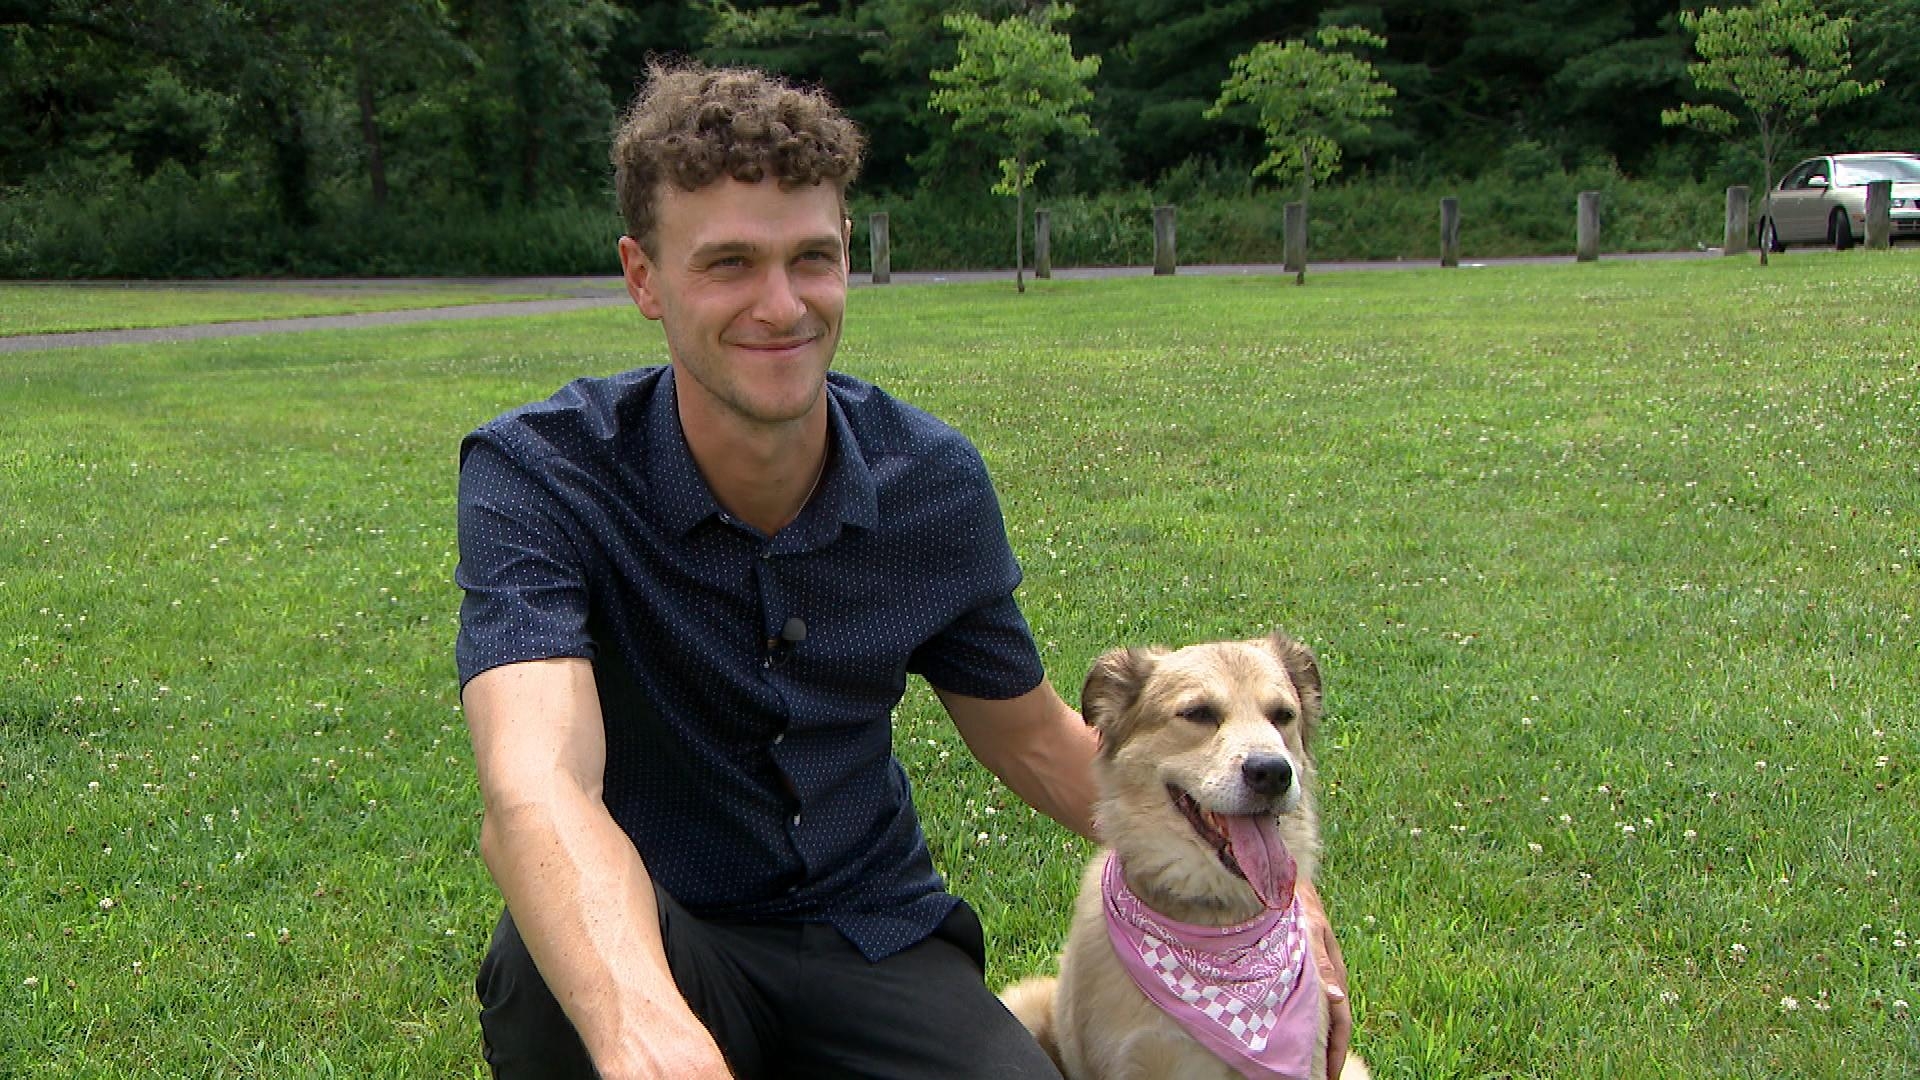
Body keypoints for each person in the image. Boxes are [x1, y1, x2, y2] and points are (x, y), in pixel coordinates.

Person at [454, 61, 1353, 1080]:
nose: (781, 304)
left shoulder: (929, 481)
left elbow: (1032, 741)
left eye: (812, 257)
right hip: (665, 929)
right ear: (642, 276)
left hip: (871, 935)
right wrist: (637, 1024)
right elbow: (536, 785)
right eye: (729, 264)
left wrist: (1274, 889)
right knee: (546, 963)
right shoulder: (540, 472)